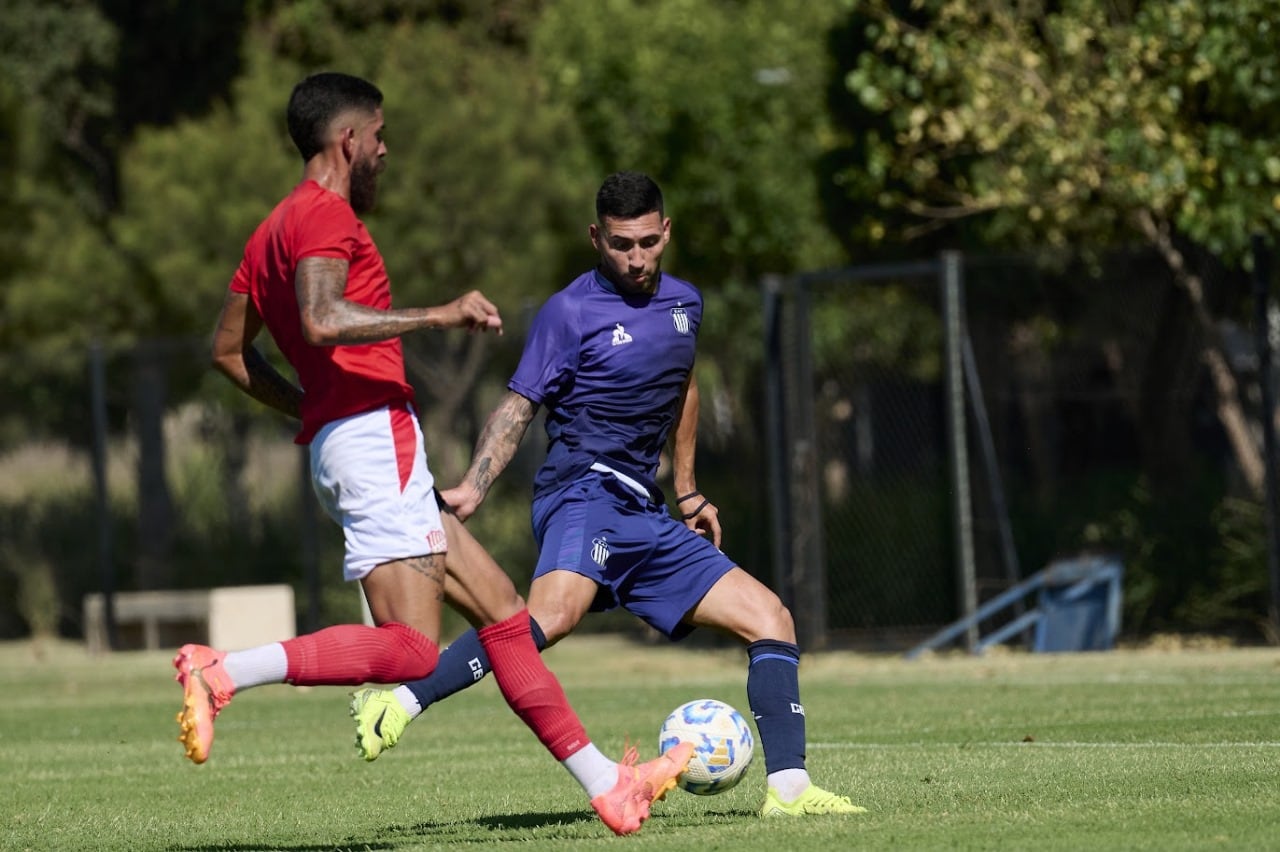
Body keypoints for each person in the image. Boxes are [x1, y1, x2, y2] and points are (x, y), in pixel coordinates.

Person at [173, 73, 691, 837]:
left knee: (507, 617)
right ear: (348, 142)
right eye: (379, 138)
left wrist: (313, 407)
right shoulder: (322, 216)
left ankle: (610, 787)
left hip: (356, 441)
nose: (385, 152)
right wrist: (438, 314)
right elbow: (319, 319)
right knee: (413, 651)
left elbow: (227, 352)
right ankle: (221, 672)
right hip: (373, 441)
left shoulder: (270, 229)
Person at [348, 171, 865, 818]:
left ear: (666, 231)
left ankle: (789, 792)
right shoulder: (568, 312)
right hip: (582, 493)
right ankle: (400, 701)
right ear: (596, 237)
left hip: (644, 509)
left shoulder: (685, 305)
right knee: (544, 621)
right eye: (622, 245)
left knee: (772, 619)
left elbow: (684, 384)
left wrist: (688, 490)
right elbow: (518, 407)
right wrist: (475, 487)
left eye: (649, 242)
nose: (638, 258)